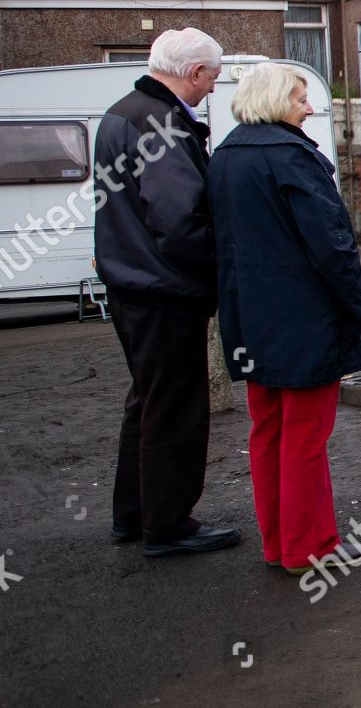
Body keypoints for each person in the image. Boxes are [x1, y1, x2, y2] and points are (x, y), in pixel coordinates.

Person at [207, 62, 361, 575]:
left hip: (248, 315)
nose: (309, 105)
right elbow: (331, 243)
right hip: (302, 315)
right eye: (300, 97)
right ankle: (311, 546)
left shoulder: (225, 157)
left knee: (269, 429)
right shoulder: (293, 159)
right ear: (277, 100)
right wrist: (355, 301)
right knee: (305, 434)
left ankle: (279, 543)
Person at [96, 28, 241, 556]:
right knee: (176, 406)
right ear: (193, 72)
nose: (211, 90)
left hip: (130, 281)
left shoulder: (123, 111)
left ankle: (133, 513)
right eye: (212, 79)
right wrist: (220, 272)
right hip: (164, 288)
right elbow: (179, 219)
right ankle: (168, 523)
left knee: (148, 400)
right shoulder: (163, 124)